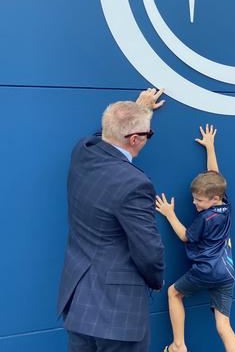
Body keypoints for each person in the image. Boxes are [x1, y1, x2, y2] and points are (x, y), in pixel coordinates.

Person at [57, 88, 167, 352]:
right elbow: (150, 252)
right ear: (135, 140)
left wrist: (139, 110)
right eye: (147, 135)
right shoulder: (135, 184)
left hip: (79, 306)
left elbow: (105, 135)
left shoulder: (82, 152)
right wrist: (156, 280)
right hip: (118, 315)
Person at [155, 124, 235, 352]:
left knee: (174, 292)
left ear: (213, 199)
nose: (194, 203)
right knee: (223, 325)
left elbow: (184, 236)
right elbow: (215, 175)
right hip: (227, 273)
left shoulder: (205, 218)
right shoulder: (225, 206)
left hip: (206, 271)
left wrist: (170, 213)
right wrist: (210, 148)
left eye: (198, 201)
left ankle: (178, 345)